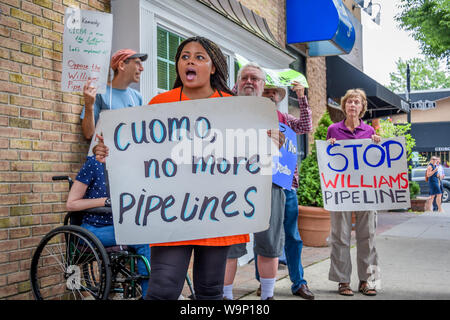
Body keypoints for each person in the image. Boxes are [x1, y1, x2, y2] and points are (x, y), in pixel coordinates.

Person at [93, 36, 257, 300]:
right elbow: (138, 152)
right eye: (184, 56)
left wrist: (270, 139)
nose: (190, 60)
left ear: (213, 67)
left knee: (209, 291)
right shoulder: (160, 104)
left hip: (217, 212)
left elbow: (253, 152)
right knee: (163, 290)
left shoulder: (234, 105)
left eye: (199, 56)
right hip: (171, 210)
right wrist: (108, 151)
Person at [222, 63, 287, 301]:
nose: (249, 81)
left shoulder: (275, 114)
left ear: (262, 84)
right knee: (230, 244)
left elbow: (287, 154)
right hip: (232, 183)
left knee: (269, 243)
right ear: (237, 83)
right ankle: (226, 297)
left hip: (269, 182)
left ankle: (267, 297)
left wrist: (281, 144)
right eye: (245, 77)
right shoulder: (225, 109)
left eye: (255, 78)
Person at [66, 155, 151, 297]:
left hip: (120, 226)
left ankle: (157, 287)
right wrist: (104, 201)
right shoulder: (94, 163)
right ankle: (149, 294)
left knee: (155, 233)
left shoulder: (129, 163)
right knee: (142, 237)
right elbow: (71, 203)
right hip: (93, 229)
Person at [260, 81, 314, 300]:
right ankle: (264, 283)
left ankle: (298, 282)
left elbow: (306, 125)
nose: (271, 95)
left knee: (292, 234)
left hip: (287, 184)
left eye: (274, 93)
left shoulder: (286, 121)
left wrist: (301, 96)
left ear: (279, 98)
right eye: (267, 91)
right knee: (264, 236)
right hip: (262, 184)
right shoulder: (252, 120)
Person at [326, 88, 381, 297]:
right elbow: (329, 160)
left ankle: (366, 281)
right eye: (349, 102)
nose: (353, 105)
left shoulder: (369, 133)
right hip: (341, 190)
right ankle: (343, 281)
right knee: (340, 236)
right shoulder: (333, 130)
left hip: (366, 190)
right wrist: (329, 146)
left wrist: (377, 144)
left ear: (362, 107)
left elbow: (377, 161)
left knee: (368, 236)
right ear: (344, 106)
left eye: (357, 102)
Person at [80, 49, 147, 140]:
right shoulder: (100, 93)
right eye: (137, 63)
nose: (142, 69)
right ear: (122, 65)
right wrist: (89, 105)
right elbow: (89, 134)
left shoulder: (137, 97)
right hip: (105, 152)